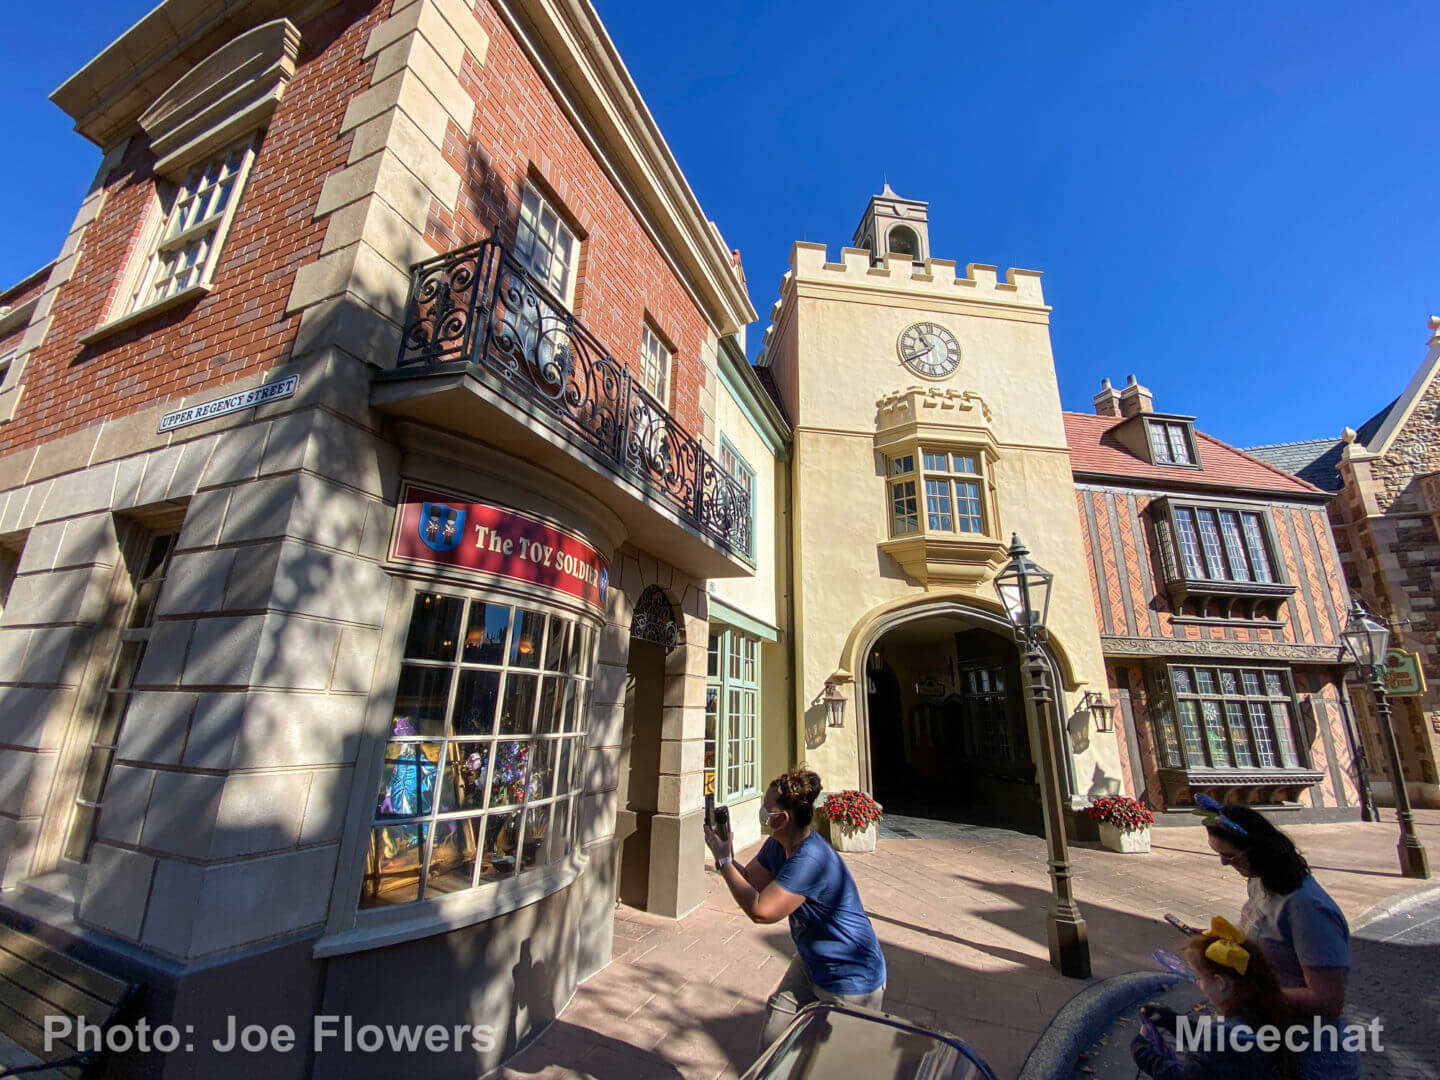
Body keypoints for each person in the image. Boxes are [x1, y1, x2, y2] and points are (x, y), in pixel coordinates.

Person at [702, 767, 887, 1052]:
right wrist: (726, 853)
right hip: (813, 960)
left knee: (829, 1064)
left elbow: (761, 910)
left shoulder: (810, 859)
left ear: (782, 819)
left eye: (766, 810)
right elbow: (751, 881)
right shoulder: (777, 845)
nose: (763, 814)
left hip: (850, 976)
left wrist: (725, 862)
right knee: (774, 1035)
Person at [1202, 799, 1359, 1079]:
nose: (1224, 863)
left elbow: (1327, 999)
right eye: (1218, 854)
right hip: (1272, 1038)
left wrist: (1245, 992)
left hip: (1310, 1053)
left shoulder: (1306, 908)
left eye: (1231, 856)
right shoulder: (1259, 881)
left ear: (1258, 851)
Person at [1132, 917, 1296, 1079]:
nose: (1199, 984)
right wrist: (1175, 1023)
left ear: (1220, 983)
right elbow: (1218, 1051)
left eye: (1200, 978)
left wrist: (1145, 1055)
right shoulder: (1262, 1015)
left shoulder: (1224, 1036)